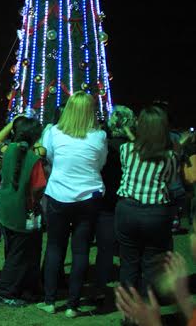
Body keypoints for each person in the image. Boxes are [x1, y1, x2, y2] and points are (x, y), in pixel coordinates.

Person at [36, 92, 107, 318]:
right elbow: (100, 163)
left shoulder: (54, 133)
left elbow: (50, 159)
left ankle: (49, 300)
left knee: (55, 247)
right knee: (81, 250)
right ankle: (72, 305)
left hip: (59, 194)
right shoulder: (100, 136)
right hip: (88, 197)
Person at [115, 106, 178, 298]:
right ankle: (147, 312)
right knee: (151, 266)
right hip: (156, 213)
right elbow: (170, 182)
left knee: (128, 264)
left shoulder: (126, 149)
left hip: (128, 209)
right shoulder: (170, 158)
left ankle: (129, 313)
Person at [0, 117, 46, 307]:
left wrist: (12, 123)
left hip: (5, 210)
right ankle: (4, 293)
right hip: (22, 212)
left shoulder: (9, 151)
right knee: (19, 256)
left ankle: (22, 288)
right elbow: (39, 187)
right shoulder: (34, 159)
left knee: (12, 251)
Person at [93, 105, 135, 303]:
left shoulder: (105, 145)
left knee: (104, 246)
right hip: (128, 201)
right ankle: (130, 283)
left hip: (106, 201)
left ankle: (101, 281)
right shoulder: (135, 147)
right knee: (130, 247)